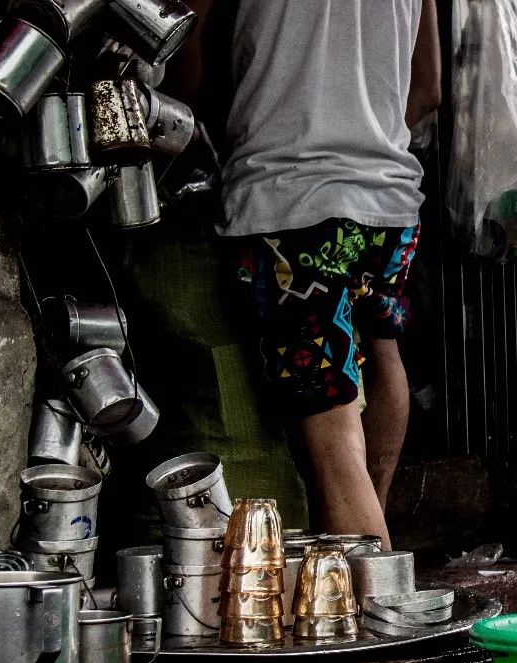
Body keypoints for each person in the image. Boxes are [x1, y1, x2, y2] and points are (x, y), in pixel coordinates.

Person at [170, 0, 441, 549]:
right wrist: (366, 132)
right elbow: (428, 88)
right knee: (383, 353)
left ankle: (372, 594)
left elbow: (186, 68)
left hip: (292, 198)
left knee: (332, 434)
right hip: (389, 199)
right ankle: (371, 525)